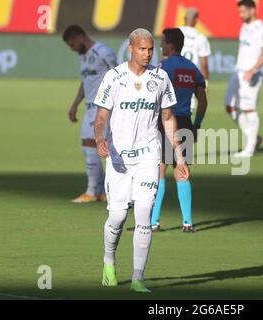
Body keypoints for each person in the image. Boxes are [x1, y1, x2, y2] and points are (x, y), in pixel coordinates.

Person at [93, 28, 190, 292]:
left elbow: (169, 119)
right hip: (119, 158)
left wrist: (179, 157)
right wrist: (101, 139)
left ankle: (138, 278)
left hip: (149, 155)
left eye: (151, 49)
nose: (148, 54)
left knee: (144, 215)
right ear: (131, 48)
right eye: (142, 49)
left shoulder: (160, 78)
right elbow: (100, 117)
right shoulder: (114, 78)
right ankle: (109, 262)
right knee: (117, 217)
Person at [150, 28, 208, 233]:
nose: (160, 46)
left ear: (170, 45)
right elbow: (203, 99)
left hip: (165, 121)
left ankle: (153, 222)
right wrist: (197, 123)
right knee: (182, 170)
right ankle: (187, 222)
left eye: (162, 42)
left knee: (160, 170)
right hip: (185, 121)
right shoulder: (193, 68)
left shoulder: (163, 67)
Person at [63, 25, 117, 202]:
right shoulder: (83, 56)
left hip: (103, 107)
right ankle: (101, 192)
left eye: (72, 45)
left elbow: (120, 76)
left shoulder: (103, 52)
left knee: (91, 145)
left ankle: (93, 191)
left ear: (80, 38)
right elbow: (85, 81)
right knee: (89, 146)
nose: (71, 49)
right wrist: (75, 104)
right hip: (89, 107)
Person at [224, 0, 263, 157]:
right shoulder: (244, 26)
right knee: (229, 106)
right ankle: (254, 137)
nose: (240, 15)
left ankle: (249, 149)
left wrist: (253, 69)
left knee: (249, 109)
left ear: (252, 10)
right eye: (239, 12)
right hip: (238, 72)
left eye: (243, 11)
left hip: (251, 75)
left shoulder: (261, 29)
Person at [179, 7, 211, 113]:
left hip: (174, 78)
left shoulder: (175, 33)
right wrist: (205, 83)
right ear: (196, 20)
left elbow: (165, 56)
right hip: (189, 80)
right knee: (186, 116)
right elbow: (204, 64)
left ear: (184, 18)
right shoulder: (201, 38)